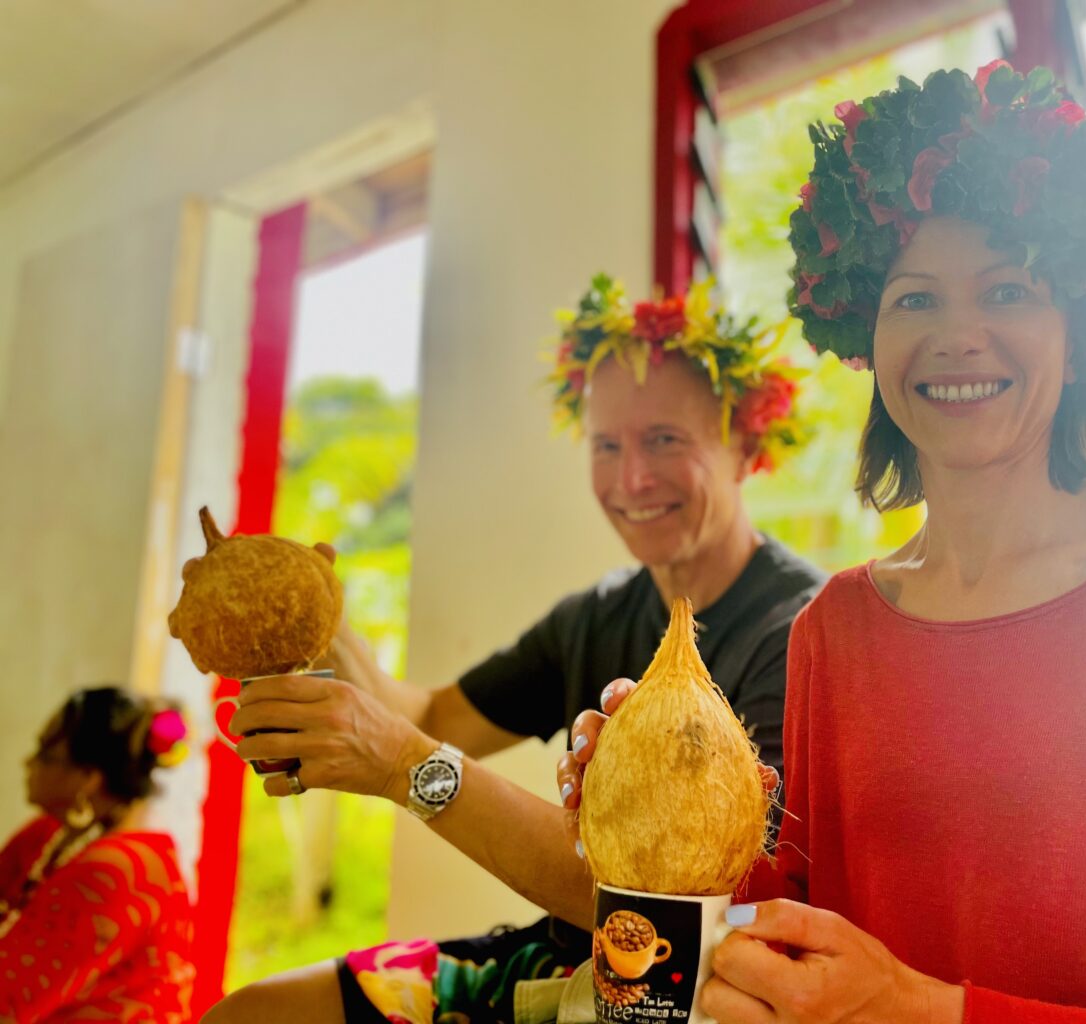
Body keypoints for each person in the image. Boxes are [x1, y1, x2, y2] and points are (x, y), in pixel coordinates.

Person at [564, 62, 1086, 1023]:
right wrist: (657, 824)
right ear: (868, 337)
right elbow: (814, 939)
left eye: (1009, 291)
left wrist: (922, 1007)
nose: (957, 335)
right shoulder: (834, 629)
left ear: (1083, 339)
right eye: (914, 299)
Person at [203, 276, 826, 1024]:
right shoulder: (594, 616)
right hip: (551, 958)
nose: (631, 478)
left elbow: (681, 915)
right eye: (606, 445)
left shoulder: (800, 632)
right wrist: (316, 614)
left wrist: (406, 765)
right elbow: (434, 714)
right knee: (249, 1014)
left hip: (676, 991)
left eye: (664, 439)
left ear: (745, 447)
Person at [0, 686, 195, 1023]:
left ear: (88, 778)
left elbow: (7, 1001)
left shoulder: (116, 871)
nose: (28, 762)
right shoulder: (49, 833)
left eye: (46, 755)